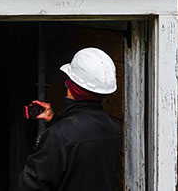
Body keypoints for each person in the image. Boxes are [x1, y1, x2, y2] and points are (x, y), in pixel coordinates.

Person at [17, 47, 122, 191]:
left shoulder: (57, 137)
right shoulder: (114, 129)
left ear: (71, 86)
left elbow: (31, 186)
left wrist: (57, 129)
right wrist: (55, 120)